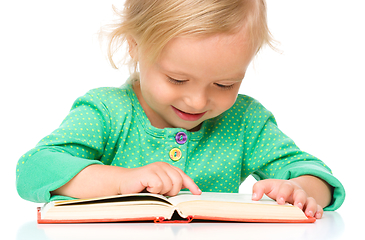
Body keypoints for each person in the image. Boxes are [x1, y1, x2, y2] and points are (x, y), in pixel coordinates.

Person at [16, 0, 345, 219]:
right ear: (135, 45)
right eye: (177, 78)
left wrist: (300, 188)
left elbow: (319, 177)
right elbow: (34, 170)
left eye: (224, 84)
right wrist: (119, 181)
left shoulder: (245, 121)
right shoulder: (106, 110)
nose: (198, 102)